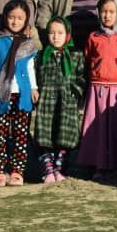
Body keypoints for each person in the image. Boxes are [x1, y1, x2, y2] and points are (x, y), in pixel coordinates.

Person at [78, 0, 117, 183]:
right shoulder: (93, 37)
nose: (107, 15)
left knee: (116, 130)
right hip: (97, 89)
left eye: (111, 12)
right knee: (98, 130)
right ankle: (98, 166)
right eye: (103, 11)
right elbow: (88, 59)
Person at [0, 0, 39, 187]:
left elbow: (30, 67)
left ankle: (17, 171)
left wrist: (34, 88)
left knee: (20, 134)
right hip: (1, 95)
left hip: (22, 94)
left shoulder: (28, 43)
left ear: (26, 20)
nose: (15, 22)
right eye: (11, 17)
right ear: (5, 18)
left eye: (20, 18)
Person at [32, 16, 86, 184]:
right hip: (46, 103)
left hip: (67, 103)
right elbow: (36, 77)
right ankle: (48, 169)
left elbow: (82, 78)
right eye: (52, 32)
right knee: (46, 136)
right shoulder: (42, 55)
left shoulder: (76, 55)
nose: (56, 37)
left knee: (64, 136)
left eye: (60, 33)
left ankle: (59, 168)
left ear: (67, 34)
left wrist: (75, 93)